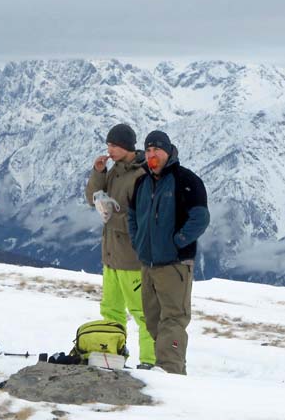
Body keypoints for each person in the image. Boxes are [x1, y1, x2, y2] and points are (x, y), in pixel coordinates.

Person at [128, 130, 209, 375]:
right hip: (148, 264)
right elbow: (132, 217)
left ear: (168, 151)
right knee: (153, 321)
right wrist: (138, 241)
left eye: (157, 150)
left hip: (175, 265)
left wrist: (178, 241)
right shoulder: (142, 182)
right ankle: (166, 368)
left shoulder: (186, 181)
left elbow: (201, 218)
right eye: (149, 150)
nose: (152, 155)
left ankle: (170, 373)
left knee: (173, 320)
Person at [85, 123, 156, 369]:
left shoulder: (141, 175)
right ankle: (114, 356)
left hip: (132, 259)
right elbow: (91, 199)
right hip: (111, 257)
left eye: (114, 145)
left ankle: (148, 360)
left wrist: (111, 217)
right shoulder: (113, 170)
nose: (110, 149)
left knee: (142, 313)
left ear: (126, 146)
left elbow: (143, 220)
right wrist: (98, 172)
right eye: (108, 145)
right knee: (111, 311)